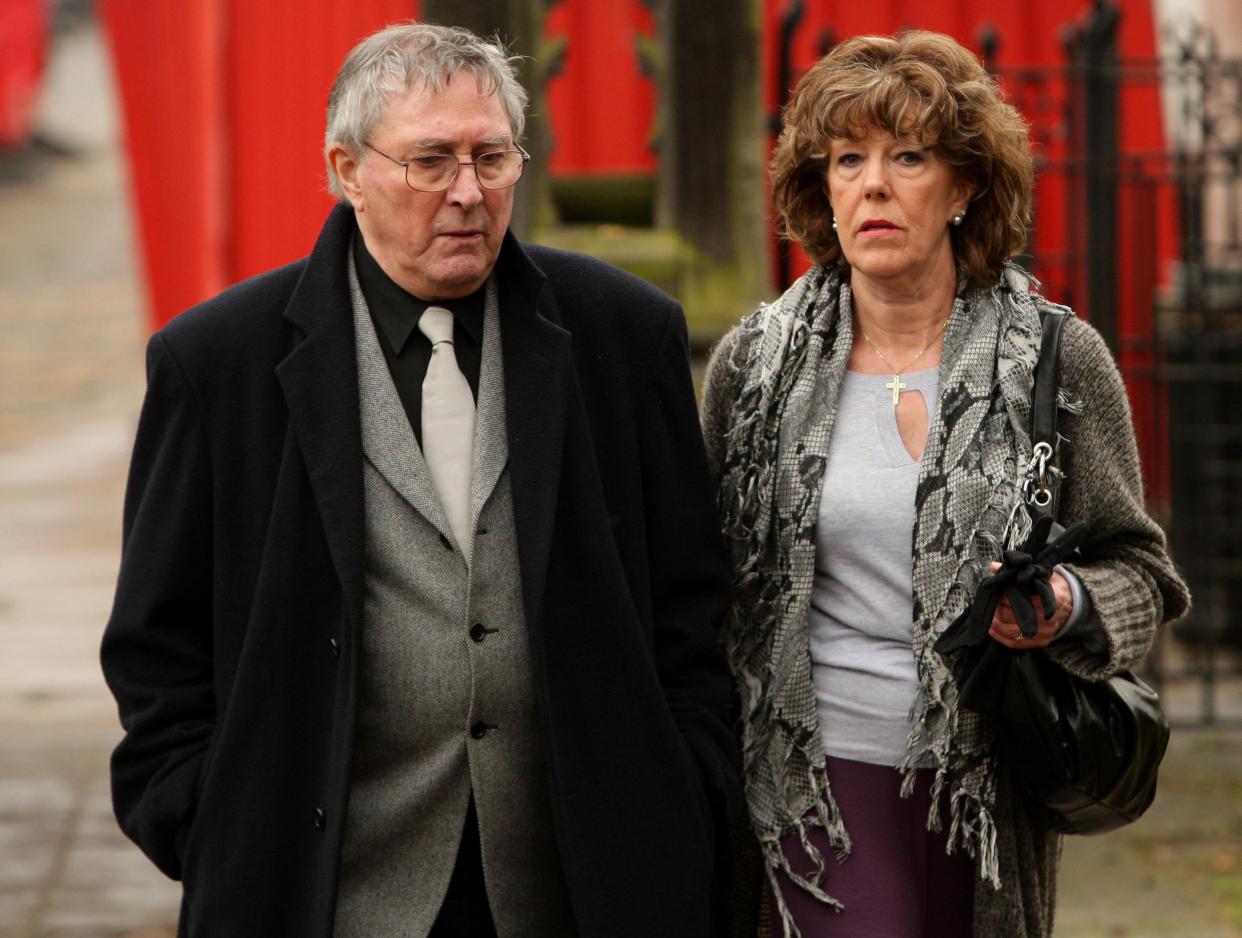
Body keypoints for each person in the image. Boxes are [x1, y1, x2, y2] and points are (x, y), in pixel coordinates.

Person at [101, 22, 740, 938]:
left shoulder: (624, 337)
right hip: (325, 892)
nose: (469, 194)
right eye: (430, 161)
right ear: (347, 169)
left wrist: (686, 790)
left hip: (583, 887)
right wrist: (215, 823)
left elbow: (692, 609)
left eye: (493, 157)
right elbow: (155, 651)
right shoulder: (217, 365)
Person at [701, 31, 1189, 938]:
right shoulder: (753, 366)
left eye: (908, 157)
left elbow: (1143, 575)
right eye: (848, 159)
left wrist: (1065, 599)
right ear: (823, 189)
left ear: (965, 187)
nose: (874, 184)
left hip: (988, 778)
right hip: (812, 774)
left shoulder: (1055, 360)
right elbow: (699, 584)